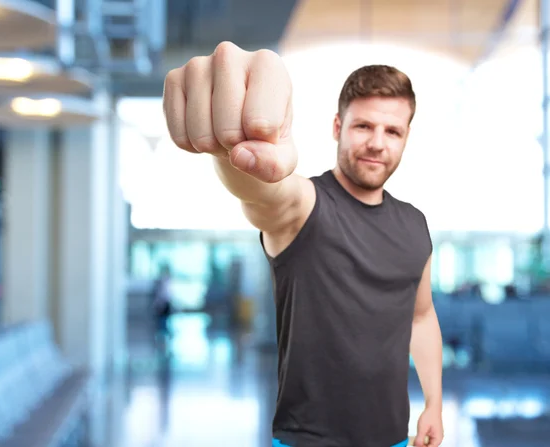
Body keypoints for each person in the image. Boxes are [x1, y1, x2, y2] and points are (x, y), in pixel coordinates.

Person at [163, 42, 444, 447]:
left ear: (406, 136)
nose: (378, 143)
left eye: (392, 131)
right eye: (363, 126)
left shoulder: (415, 224)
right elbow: (265, 193)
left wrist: (433, 402)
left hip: (392, 440)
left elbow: (420, 317)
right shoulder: (307, 207)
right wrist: (236, 147)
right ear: (337, 127)